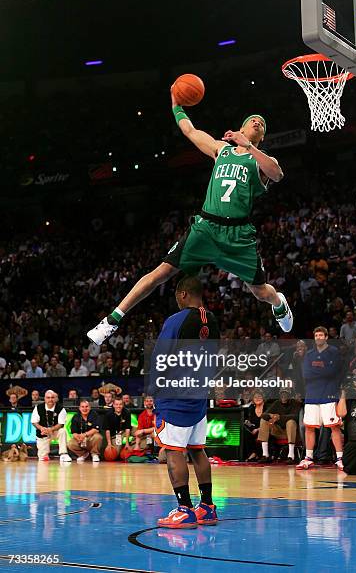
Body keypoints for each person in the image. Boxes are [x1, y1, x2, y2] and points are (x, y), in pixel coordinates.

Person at [87, 102, 293, 346]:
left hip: (237, 234)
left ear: (261, 136)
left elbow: (277, 174)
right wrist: (176, 105)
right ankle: (112, 320)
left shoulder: (261, 160)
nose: (257, 122)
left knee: (260, 292)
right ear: (241, 127)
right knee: (160, 273)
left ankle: (279, 303)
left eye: (262, 123)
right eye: (253, 120)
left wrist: (247, 145)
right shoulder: (221, 150)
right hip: (206, 227)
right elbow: (191, 131)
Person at [152, 275, 220, 529]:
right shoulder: (212, 320)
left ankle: (184, 509)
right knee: (197, 449)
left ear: (183, 294)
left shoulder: (175, 320)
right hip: (199, 393)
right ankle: (208, 507)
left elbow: (161, 357)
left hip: (175, 393)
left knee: (174, 451)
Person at [296, 326, 344, 470]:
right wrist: (322, 370)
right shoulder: (309, 354)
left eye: (321, 335)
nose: (318, 337)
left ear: (326, 337)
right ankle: (308, 458)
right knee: (309, 427)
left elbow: (333, 371)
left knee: (334, 427)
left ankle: (340, 458)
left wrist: (318, 371)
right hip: (311, 395)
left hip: (329, 394)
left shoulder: (334, 352)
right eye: (316, 335)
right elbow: (306, 373)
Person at [258, 389, 300, 464]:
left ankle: (291, 456)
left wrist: (279, 417)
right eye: (282, 394)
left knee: (291, 422)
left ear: (290, 395)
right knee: (263, 420)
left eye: (285, 394)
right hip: (278, 431)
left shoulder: (295, 403)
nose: (283, 396)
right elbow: (263, 415)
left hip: (292, 432)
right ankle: (265, 455)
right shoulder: (277, 403)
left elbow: (296, 416)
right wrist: (271, 415)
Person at [31, 390, 72, 462]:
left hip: (55, 432)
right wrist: (41, 428)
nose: (50, 399)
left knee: (62, 431)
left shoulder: (61, 409)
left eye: (52, 397)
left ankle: (63, 454)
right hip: (42, 433)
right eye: (48, 397)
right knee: (43, 458)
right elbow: (34, 422)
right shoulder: (38, 408)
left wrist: (50, 429)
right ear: (44, 398)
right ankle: (45, 454)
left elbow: (61, 424)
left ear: (55, 398)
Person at [243, 391, 267, 462]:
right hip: (254, 429)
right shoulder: (251, 408)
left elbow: (269, 421)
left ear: (263, 398)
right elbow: (249, 421)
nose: (257, 398)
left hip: (265, 428)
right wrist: (252, 428)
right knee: (246, 431)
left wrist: (258, 429)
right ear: (253, 399)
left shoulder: (266, 407)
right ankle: (253, 453)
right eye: (255, 397)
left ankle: (256, 454)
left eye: (259, 397)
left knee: (259, 434)